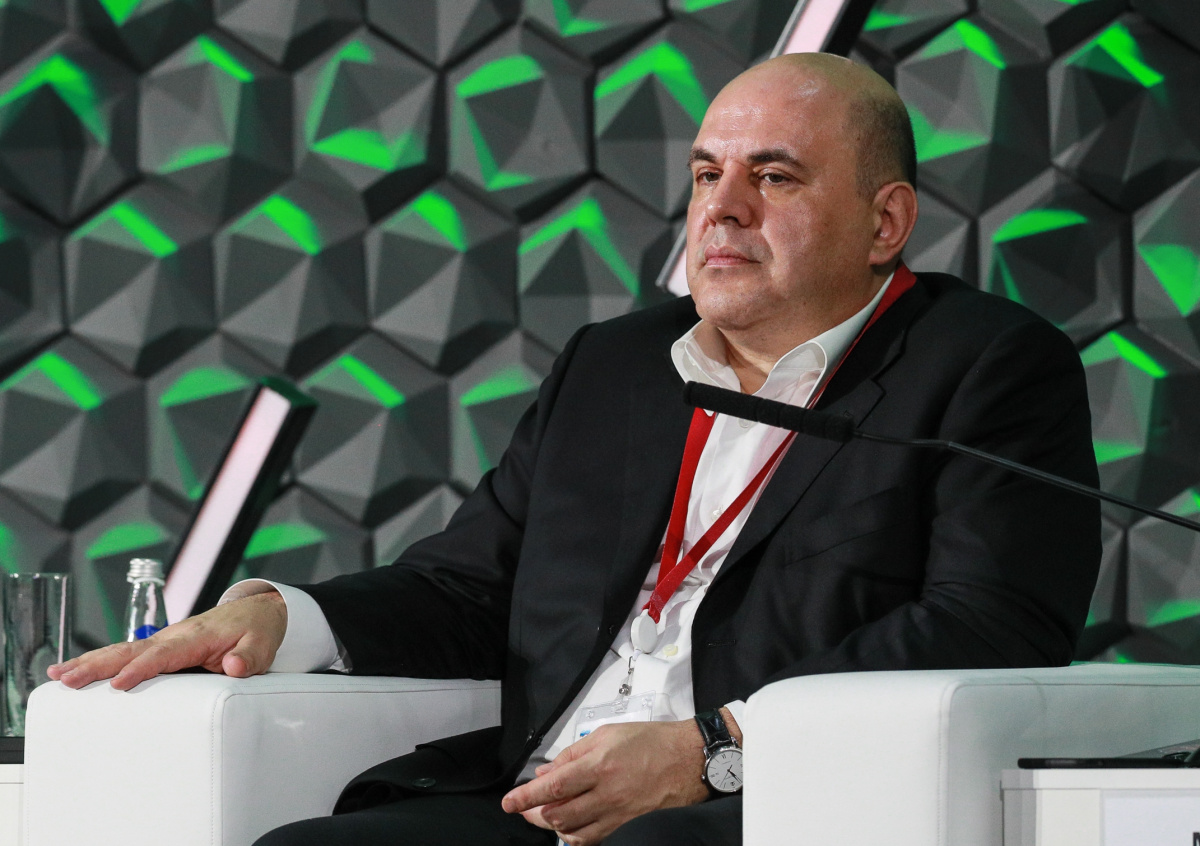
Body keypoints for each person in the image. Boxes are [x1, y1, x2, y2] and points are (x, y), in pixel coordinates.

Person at [47, 53, 1101, 846]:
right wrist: (281, 617)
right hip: (535, 794)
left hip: (764, 809)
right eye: (706, 174)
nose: (723, 209)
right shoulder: (616, 364)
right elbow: (469, 585)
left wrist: (714, 750)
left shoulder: (985, 366)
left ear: (885, 222)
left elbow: (991, 620)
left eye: (775, 177)